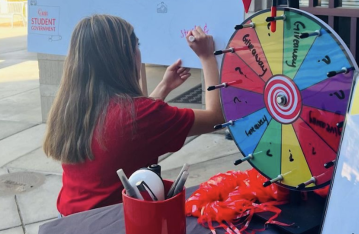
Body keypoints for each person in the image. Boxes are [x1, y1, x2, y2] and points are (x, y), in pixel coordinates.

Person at [42, 14, 224, 216]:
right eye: (137, 45)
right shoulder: (140, 115)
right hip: (110, 224)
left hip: (69, 220)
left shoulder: (71, 106)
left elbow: (128, 123)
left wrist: (164, 87)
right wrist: (208, 57)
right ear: (125, 56)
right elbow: (216, 118)